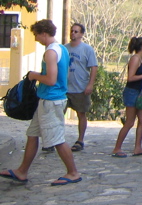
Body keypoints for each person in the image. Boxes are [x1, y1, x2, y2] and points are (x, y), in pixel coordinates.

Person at [0, 19, 81, 186]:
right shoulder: (62, 49)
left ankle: (73, 172)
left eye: (36, 34)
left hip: (50, 100)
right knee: (32, 135)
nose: (36, 38)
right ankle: (22, 171)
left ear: (44, 33)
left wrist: (34, 75)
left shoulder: (50, 53)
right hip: (49, 99)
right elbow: (62, 76)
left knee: (56, 138)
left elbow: (51, 79)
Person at [112, 36, 142, 158]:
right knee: (130, 122)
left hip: (138, 92)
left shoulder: (140, 59)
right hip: (132, 92)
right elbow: (130, 78)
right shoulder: (135, 59)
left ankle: (138, 147)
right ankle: (117, 147)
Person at [64, 23, 98, 153]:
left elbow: (93, 67)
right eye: (72, 31)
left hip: (80, 87)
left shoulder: (87, 49)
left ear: (81, 34)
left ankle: (80, 140)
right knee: (58, 114)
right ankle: (56, 139)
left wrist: (90, 84)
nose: (73, 33)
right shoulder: (64, 48)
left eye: (76, 31)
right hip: (65, 88)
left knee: (81, 114)